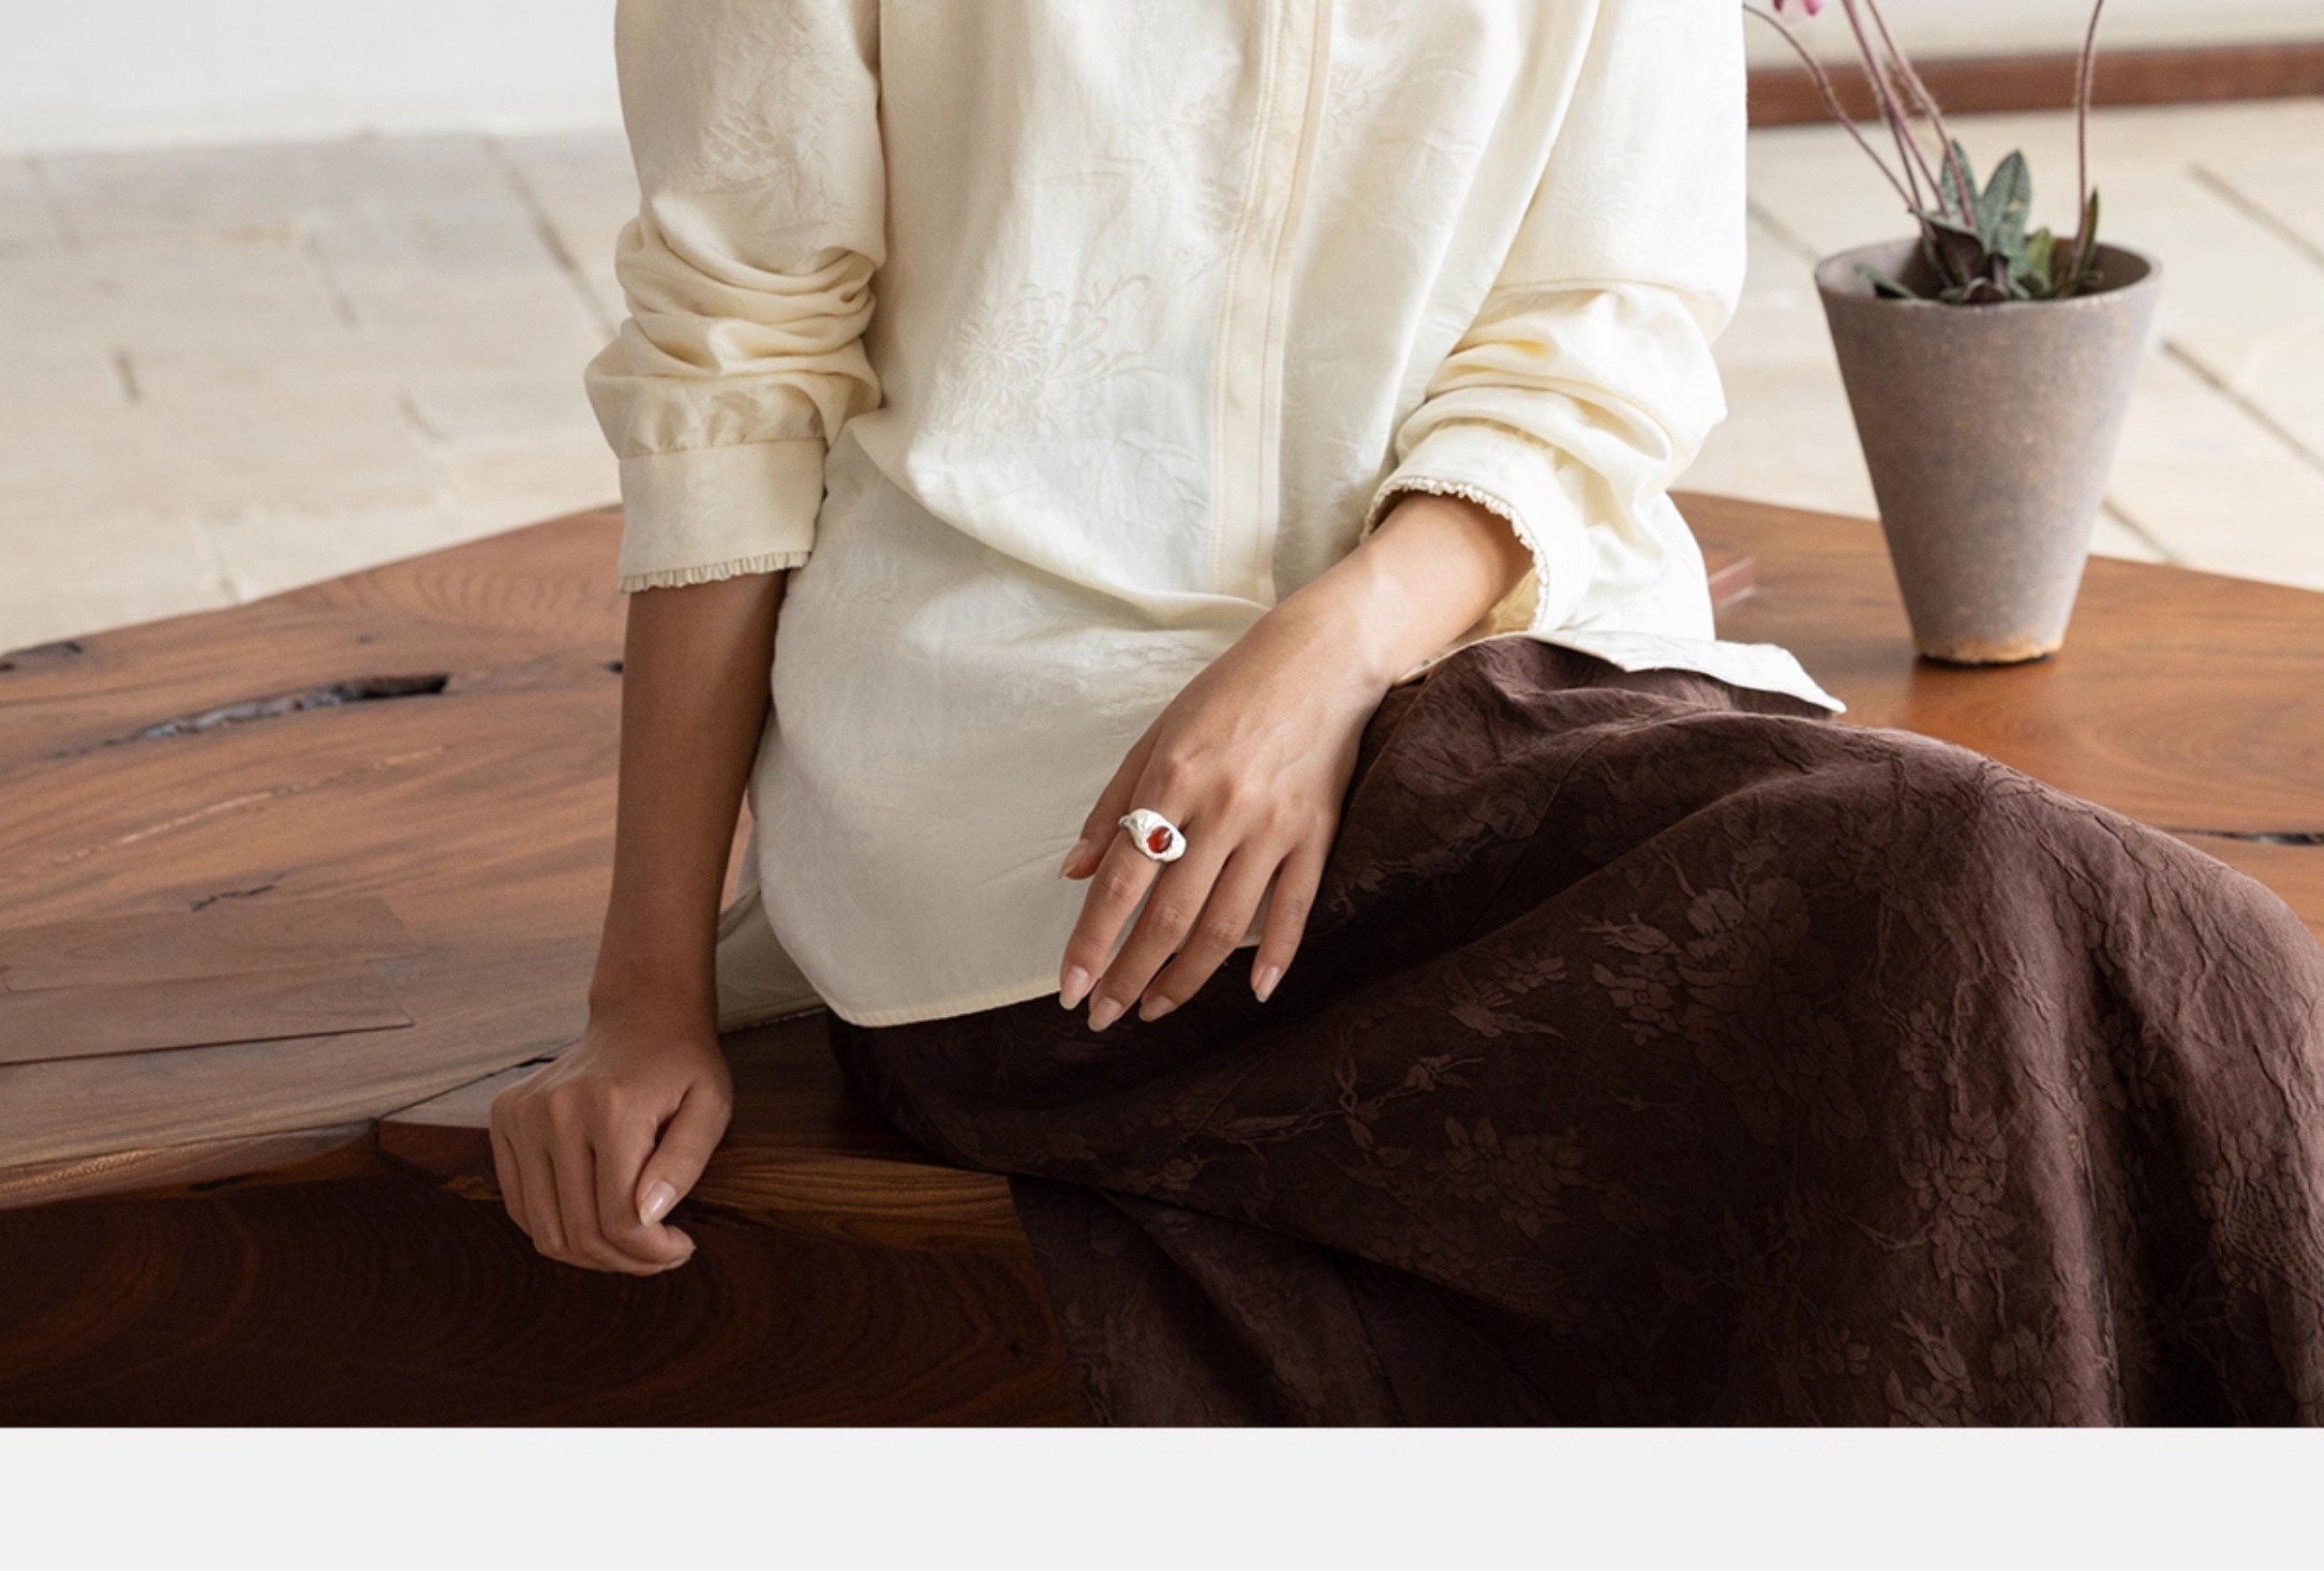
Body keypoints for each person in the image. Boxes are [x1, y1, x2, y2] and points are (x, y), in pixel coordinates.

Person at [491, 0, 2324, 1423]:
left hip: (1486, 663)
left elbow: (1602, 321)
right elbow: (735, 368)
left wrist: (1331, 649)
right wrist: (644, 995)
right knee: (1957, 903)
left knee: (2141, 959)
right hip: (1046, 817)